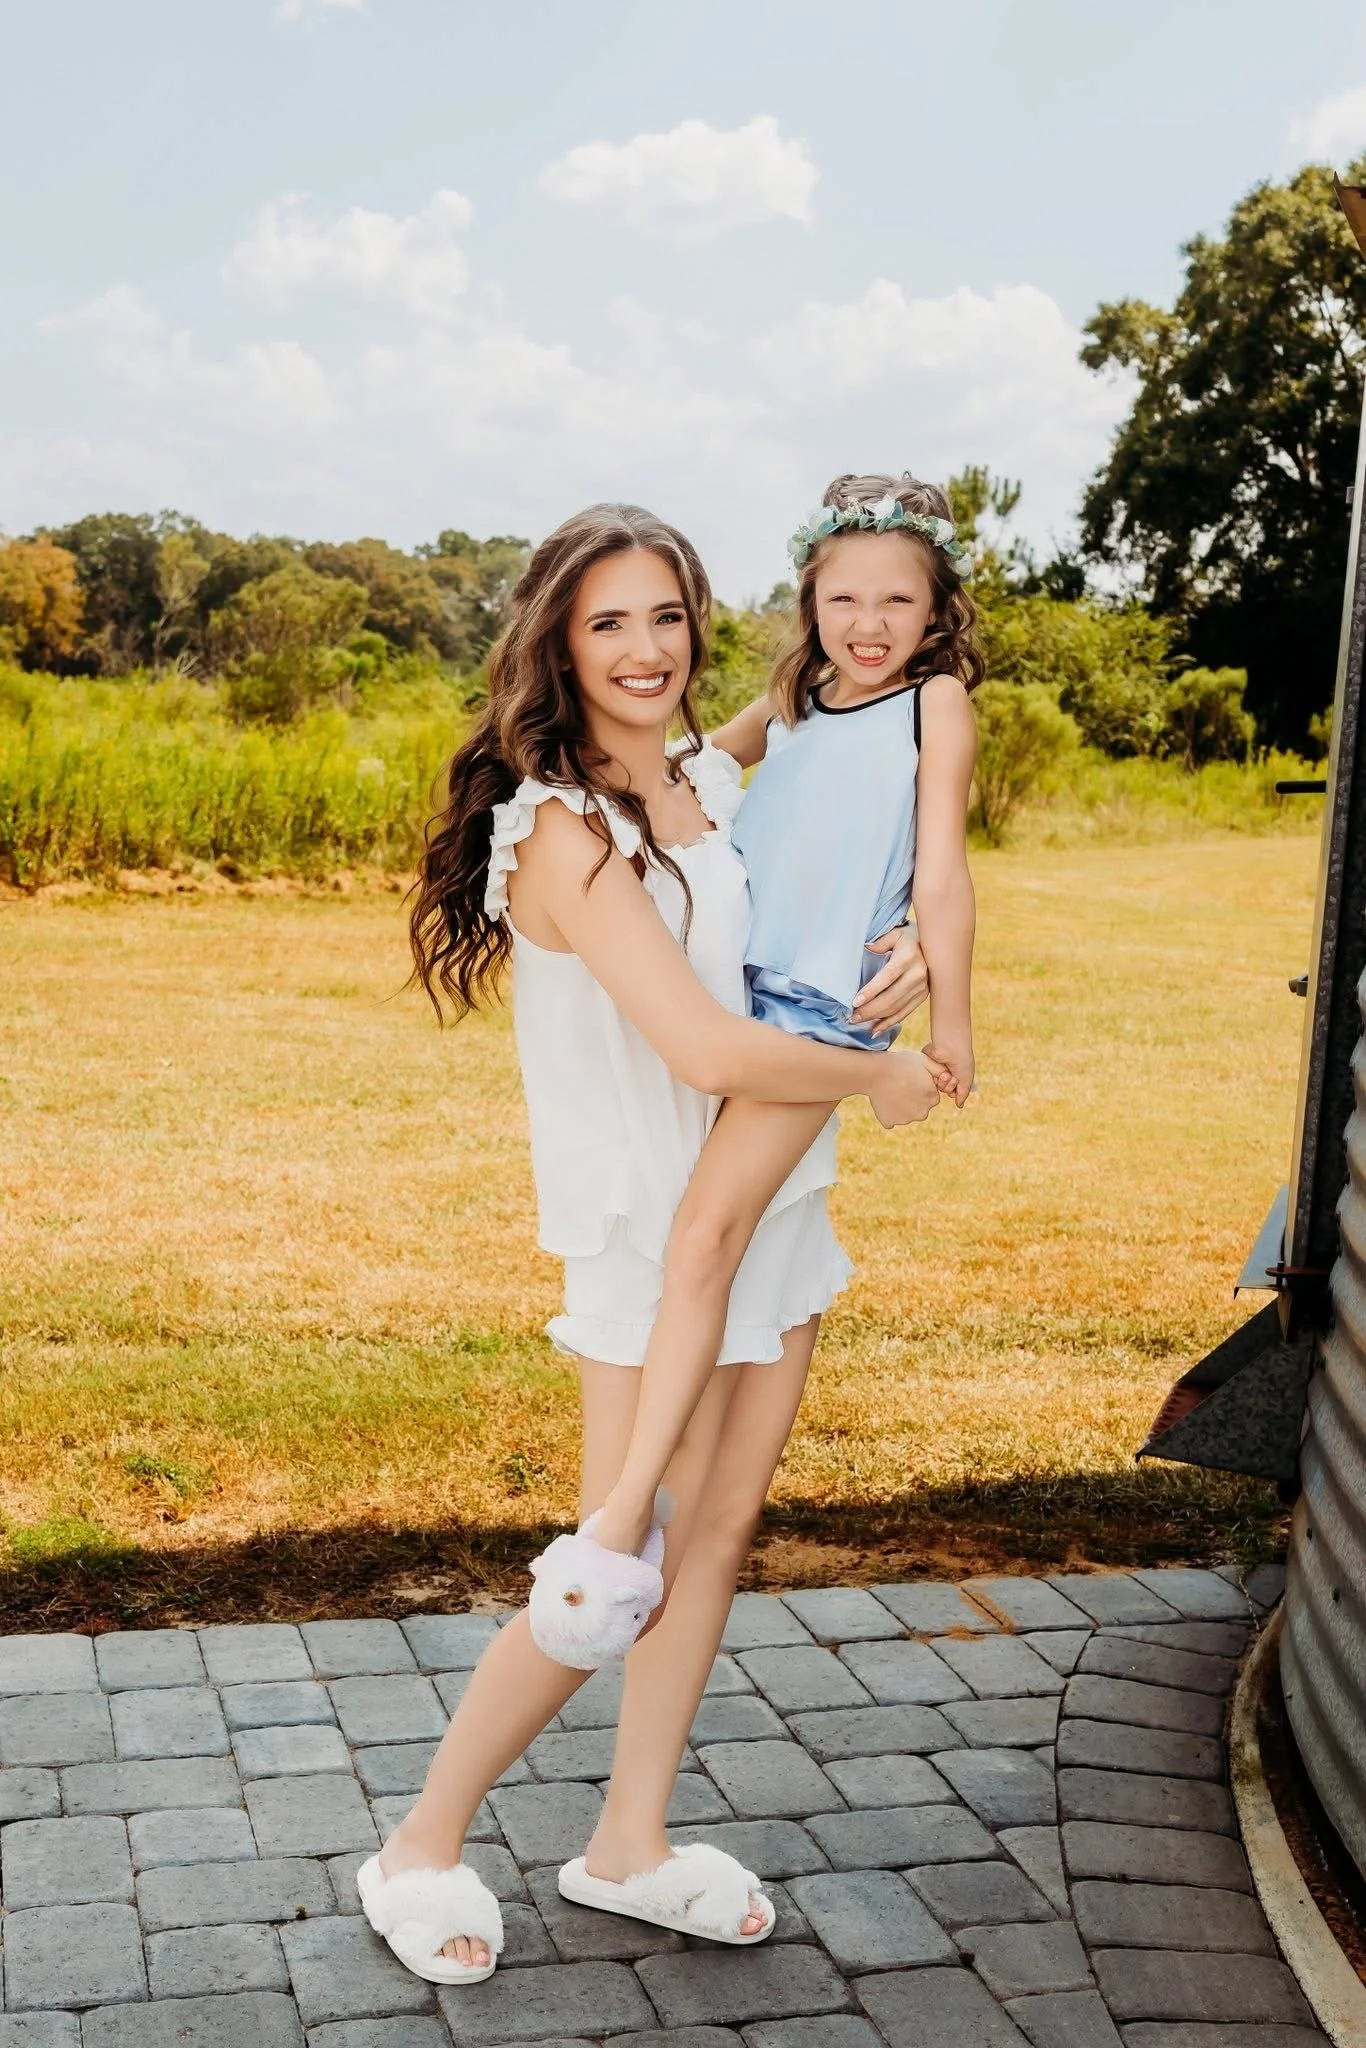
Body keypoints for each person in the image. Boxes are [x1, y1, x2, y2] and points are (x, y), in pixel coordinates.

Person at [358, 501, 941, 1984]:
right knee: (612, 1558)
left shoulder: (701, 775)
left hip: (771, 1209)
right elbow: (696, 1044)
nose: (643, 648)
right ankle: (417, 1845)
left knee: (719, 1537)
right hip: (647, 1238)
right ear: (557, 638)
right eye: (607, 620)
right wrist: (880, 1071)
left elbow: (837, 744)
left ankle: (627, 1841)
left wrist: (928, 939)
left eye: (667, 615)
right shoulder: (558, 830)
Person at [555, 472, 982, 1665]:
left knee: (702, 1238)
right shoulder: (795, 698)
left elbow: (941, 867)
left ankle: (621, 1507)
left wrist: (952, 1012)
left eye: (897, 598)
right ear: (808, 600)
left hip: (822, 1014)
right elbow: (691, 765)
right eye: (843, 595)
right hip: (741, 999)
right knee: (700, 1242)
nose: (868, 621)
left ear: (935, 605)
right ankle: (641, 1494)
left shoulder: (931, 703)